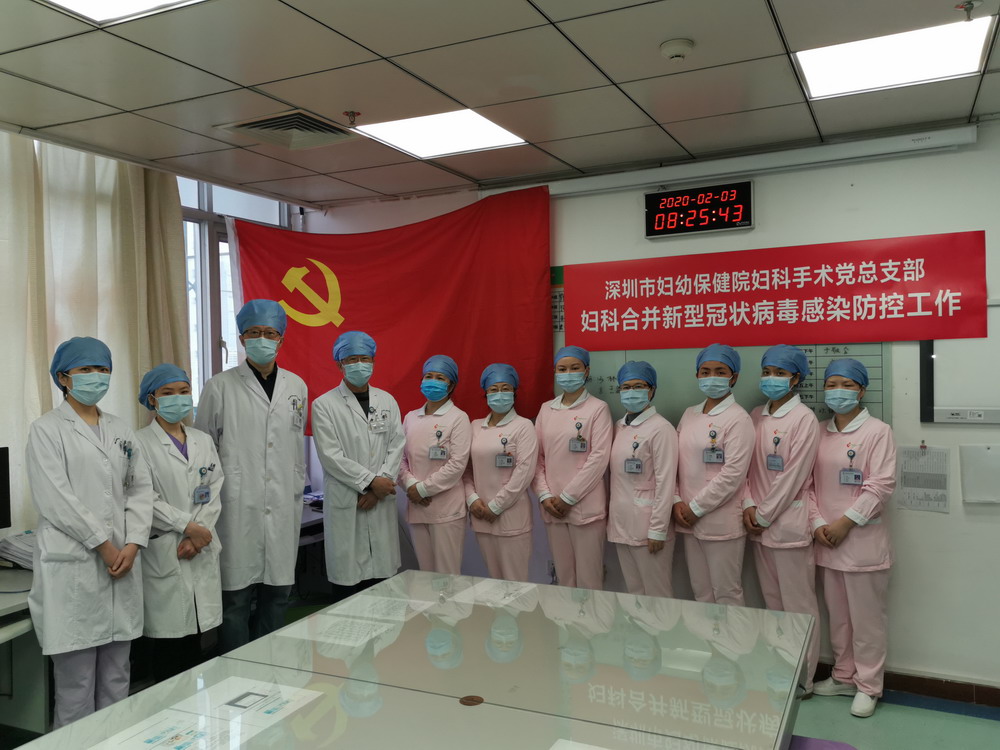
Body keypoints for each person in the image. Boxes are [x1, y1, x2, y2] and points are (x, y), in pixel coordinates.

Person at [26, 337, 156, 727]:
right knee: (76, 685)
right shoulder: (47, 429)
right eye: (85, 369)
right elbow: (56, 498)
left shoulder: (120, 429)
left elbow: (140, 489)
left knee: (117, 676)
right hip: (76, 566)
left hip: (123, 563)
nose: (95, 376)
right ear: (64, 378)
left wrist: (133, 543)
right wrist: (104, 546)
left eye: (102, 369)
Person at [194, 299, 308, 652]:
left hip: (282, 503)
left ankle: (271, 665)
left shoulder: (296, 387)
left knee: (278, 594)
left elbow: (293, 446)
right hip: (236, 506)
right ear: (242, 339)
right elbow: (203, 450)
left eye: (270, 333)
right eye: (254, 332)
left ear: (281, 339)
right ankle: (235, 669)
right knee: (236, 601)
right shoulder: (219, 386)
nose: (262, 339)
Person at [809, 358, 896, 718]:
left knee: (866, 621)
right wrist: (817, 523)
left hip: (861, 542)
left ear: (861, 390)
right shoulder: (819, 431)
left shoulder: (878, 431)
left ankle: (869, 685)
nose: (838, 391)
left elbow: (881, 485)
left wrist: (845, 523)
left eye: (846, 384)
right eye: (832, 384)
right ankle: (844, 676)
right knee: (839, 617)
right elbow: (806, 485)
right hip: (826, 540)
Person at [135, 364, 224, 681]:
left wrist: (200, 533)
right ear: (152, 399)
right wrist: (189, 527)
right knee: (169, 649)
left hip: (198, 546)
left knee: (199, 644)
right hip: (167, 547)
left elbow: (214, 488)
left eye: (184, 391)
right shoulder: (138, 443)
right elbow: (143, 498)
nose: (178, 398)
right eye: (168, 392)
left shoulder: (203, 440)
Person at [743, 344, 822, 693]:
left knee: (798, 606)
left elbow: (794, 475)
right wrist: (748, 505)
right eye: (767, 372)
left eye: (780, 373)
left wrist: (763, 514)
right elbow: (743, 468)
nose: (771, 378)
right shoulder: (755, 415)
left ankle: (803, 678)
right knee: (772, 602)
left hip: (787, 524)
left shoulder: (804, 419)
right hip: (758, 524)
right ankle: (780, 667)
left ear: (796, 378)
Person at [312, 331, 405, 598]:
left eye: (365, 358)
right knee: (347, 586)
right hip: (348, 499)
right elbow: (331, 456)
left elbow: (396, 445)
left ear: (373, 361)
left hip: (379, 499)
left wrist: (379, 487)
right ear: (340, 364)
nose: (359, 364)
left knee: (382, 587)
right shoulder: (324, 405)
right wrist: (371, 482)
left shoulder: (387, 401)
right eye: (352, 359)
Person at [674, 344, 754, 605]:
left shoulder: (738, 419)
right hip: (687, 517)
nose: (712, 377)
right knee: (701, 592)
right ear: (697, 375)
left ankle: (734, 636)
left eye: (720, 372)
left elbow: (734, 473)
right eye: (705, 371)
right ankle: (708, 636)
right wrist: (676, 500)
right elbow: (674, 462)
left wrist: (696, 508)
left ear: (734, 377)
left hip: (720, 519)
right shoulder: (689, 414)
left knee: (726, 592)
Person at [532, 345, 613, 590]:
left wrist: (568, 497)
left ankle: (593, 618)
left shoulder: (597, 409)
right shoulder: (546, 409)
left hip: (585, 507)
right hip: (552, 506)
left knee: (590, 579)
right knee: (564, 576)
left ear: (586, 371)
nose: (568, 374)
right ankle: (565, 616)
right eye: (562, 369)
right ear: (555, 372)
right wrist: (545, 495)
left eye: (575, 368)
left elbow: (599, 458)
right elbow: (537, 458)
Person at [607, 361, 677, 597]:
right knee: (634, 592)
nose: (631, 392)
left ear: (652, 390)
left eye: (639, 386)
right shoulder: (619, 427)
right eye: (626, 387)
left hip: (649, 526)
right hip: (622, 522)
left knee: (657, 594)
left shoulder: (661, 428)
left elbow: (666, 481)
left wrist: (657, 530)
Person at [463, 363, 538, 582]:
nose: (500, 394)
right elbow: (466, 470)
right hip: (481, 515)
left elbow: (524, 471)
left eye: (505, 388)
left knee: (515, 583)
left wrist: (496, 506)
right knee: (494, 582)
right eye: (494, 389)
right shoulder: (475, 426)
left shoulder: (523, 426)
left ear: (514, 392)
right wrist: (472, 499)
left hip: (511, 517)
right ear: (485, 393)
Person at [399, 355, 471, 575]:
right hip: (417, 506)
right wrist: (411, 485)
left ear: (451, 385)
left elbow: (457, 464)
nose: (433, 381)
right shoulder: (411, 417)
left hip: (446, 509)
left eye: (440, 378)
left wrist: (422, 489)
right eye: (428, 376)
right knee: (426, 574)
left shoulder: (458, 418)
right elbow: (399, 459)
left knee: (447, 575)